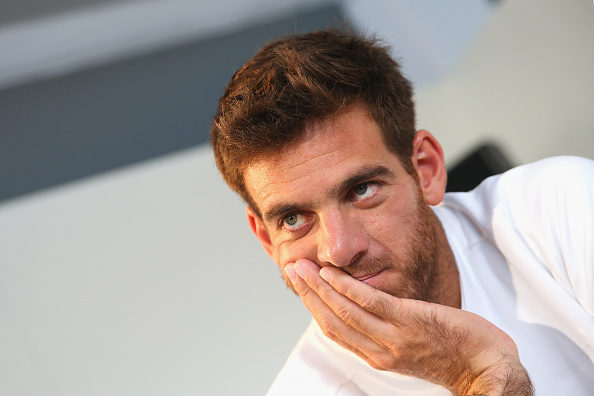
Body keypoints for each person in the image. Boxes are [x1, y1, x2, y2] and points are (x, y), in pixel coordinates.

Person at [210, 29, 594, 395]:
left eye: (362, 190)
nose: (339, 250)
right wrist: (477, 375)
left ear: (425, 169)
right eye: (293, 219)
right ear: (266, 239)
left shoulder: (556, 205)